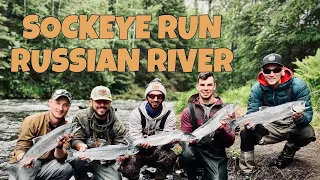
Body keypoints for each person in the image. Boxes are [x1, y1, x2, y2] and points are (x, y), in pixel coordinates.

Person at [239, 53, 316, 175]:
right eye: (267, 71)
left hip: (292, 126)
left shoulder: (298, 85)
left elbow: (308, 115)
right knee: (245, 132)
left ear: (283, 71)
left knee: (307, 133)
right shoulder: (257, 89)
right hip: (270, 126)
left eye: (276, 70)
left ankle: (288, 152)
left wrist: (300, 118)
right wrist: (250, 125)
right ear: (262, 72)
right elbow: (252, 112)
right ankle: (247, 169)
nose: (271, 74)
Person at [179, 72, 235, 180]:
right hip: (196, 151)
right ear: (197, 86)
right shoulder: (188, 111)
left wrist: (221, 130)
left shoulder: (227, 111)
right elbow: (185, 141)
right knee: (187, 155)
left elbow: (230, 142)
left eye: (209, 85)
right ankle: (192, 176)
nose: (205, 88)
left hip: (216, 155)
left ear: (214, 86)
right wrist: (189, 140)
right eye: (202, 85)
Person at [118, 78, 177, 180]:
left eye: (159, 96)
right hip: (139, 151)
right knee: (127, 167)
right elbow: (134, 136)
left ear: (163, 98)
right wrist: (141, 143)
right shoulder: (136, 113)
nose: (155, 99)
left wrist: (172, 142)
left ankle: (159, 178)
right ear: (146, 97)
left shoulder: (169, 116)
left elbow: (167, 142)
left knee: (170, 156)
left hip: (158, 152)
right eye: (151, 95)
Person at [9, 89, 74, 180]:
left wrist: (59, 146)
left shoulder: (67, 128)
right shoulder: (31, 121)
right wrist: (24, 158)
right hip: (27, 162)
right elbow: (21, 147)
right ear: (50, 102)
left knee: (67, 169)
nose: (60, 108)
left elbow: (61, 158)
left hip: (46, 164)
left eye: (65, 105)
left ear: (69, 107)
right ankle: (14, 173)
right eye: (57, 103)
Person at [70, 85, 127, 180]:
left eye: (105, 102)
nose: (102, 105)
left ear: (110, 102)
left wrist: (121, 155)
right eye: (98, 101)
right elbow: (76, 138)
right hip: (85, 158)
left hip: (104, 162)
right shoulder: (80, 117)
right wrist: (80, 145)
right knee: (76, 158)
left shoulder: (117, 123)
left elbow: (120, 142)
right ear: (91, 102)